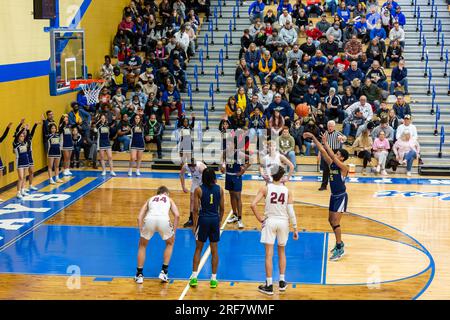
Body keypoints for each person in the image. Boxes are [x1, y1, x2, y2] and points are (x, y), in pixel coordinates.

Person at [250, 166, 299, 295]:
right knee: (282, 251)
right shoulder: (287, 191)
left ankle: (269, 284)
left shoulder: (265, 188)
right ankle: (282, 282)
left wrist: (260, 218)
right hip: (283, 222)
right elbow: (291, 211)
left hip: (270, 221)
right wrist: (295, 227)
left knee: (268, 255)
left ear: (271, 175)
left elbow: (253, 204)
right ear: (282, 176)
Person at [303, 132, 349, 261]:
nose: (336, 155)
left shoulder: (344, 168)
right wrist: (314, 137)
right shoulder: (332, 164)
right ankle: (339, 243)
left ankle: (340, 247)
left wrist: (326, 143)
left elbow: (332, 156)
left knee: (336, 222)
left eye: (338, 154)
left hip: (341, 196)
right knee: (330, 220)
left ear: (342, 158)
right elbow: (323, 151)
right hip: (333, 195)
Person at [135, 186, 180, 284]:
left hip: (149, 220)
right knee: (170, 243)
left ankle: (139, 275)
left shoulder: (150, 199)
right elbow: (177, 215)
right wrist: (174, 232)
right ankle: (164, 272)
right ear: (166, 193)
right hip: (164, 220)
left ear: (157, 193)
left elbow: (139, 217)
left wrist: (141, 231)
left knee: (142, 245)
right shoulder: (169, 199)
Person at [189, 168, 225, 289]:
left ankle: (194, 277)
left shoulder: (198, 190)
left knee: (198, 249)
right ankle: (213, 279)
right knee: (214, 250)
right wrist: (219, 221)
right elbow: (222, 208)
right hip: (214, 220)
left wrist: (194, 225)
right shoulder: (220, 189)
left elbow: (195, 210)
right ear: (214, 177)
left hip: (203, 220)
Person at [222, 144, 251, 229]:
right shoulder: (225, 153)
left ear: (234, 146)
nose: (228, 146)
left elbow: (251, 159)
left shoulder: (239, 154)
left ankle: (240, 219)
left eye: (229, 144)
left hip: (236, 176)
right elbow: (222, 162)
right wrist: (222, 167)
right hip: (228, 176)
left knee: (238, 197)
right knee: (231, 196)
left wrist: (244, 168)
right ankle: (234, 215)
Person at [318, 120, 346, 191]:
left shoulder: (337, 133)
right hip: (326, 152)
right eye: (329, 126)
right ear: (327, 126)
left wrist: (342, 138)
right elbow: (322, 145)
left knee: (336, 170)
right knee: (325, 169)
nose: (330, 127)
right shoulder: (325, 133)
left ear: (334, 127)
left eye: (331, 126)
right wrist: (319, 154)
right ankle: (324, 185)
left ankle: (339, 184)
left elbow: (345, 138)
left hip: (335, 153)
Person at [180, 160, 207, 227]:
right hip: (195, 180)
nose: (193, 169)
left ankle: (205, 217)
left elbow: (208, 177)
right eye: (192, 167)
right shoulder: (186, 166)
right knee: (192, 199)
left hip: (204, 180)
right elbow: (181, 174)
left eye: (194, 167)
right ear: (189, 166)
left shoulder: (201, 167)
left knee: (203, 199)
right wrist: (183, 187)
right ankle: (191, 219)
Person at [13, 127, 29, 199]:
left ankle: (23, 190)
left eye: (23, 136)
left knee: (25, 176)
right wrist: (23, 129)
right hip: (19, 162)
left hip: (26, 161)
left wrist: (27, 130)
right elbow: (17, 135)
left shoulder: (25, 143)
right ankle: (18, 192)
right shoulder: (16, 144)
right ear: (18, 137)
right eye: (21, 136)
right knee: (20, 177)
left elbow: (27, 136)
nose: (22, 137)